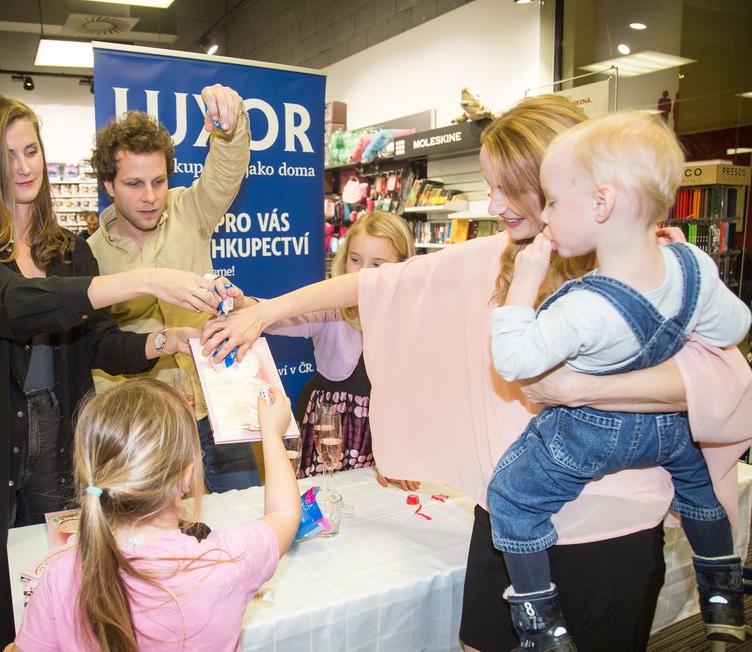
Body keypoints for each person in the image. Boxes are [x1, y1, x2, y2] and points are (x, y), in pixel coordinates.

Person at [200, 95, 752, 651]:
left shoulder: (645, 263)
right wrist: (266, 312)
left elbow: (723, 380)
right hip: (507, 520)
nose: (494, 205)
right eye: (490, 188)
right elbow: (373, 286)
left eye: (507, 189)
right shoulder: (502, 254)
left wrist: (585, 389)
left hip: (609, 530)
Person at [0, 95, 230, 652]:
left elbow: (98, 342)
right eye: (6, 154)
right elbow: (19, 303)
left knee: (59, 593)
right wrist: (146, 280)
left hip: (60, 447)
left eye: (31, 150)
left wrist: (166, 339)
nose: (23, 166)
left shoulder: (67, 252)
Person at [487, 112, 752, 649]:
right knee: (698, 488)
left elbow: (513, 360)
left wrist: (525, 284)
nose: (550, 214)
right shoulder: (692, 264)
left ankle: (541, 624)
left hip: (592, 435)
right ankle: (722, 587)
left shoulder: (586, 305)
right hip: (668, 433)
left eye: (556, 201)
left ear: (602, 204)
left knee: (510, 497)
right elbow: (735, 327)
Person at [12, 378, 301, 651]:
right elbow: (284, 512)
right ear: (187, 476)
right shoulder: (224, 563)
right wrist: (272, 434)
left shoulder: (60, 576)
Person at [87, 84, 261, 493]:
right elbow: (100, 348)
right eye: (133, 184)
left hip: (214, 403)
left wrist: (231, 124)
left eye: (159, 181)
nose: (150, 197)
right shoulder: (89, 258)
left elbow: (225, 171)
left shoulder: (189, 209)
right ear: (108, 185)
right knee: (163, 543)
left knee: (245, 516)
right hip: (146, 427)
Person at [246, 211, 418, 486]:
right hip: (330, 426)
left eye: (377, 265)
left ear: (402, 267)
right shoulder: (332, 310)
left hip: (381, 431)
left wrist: (398, 455)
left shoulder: (411, 319)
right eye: (355, 260)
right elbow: (285, 317)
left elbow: (410, 396)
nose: (362, 274)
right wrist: (248, 307)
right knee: (327, 495)